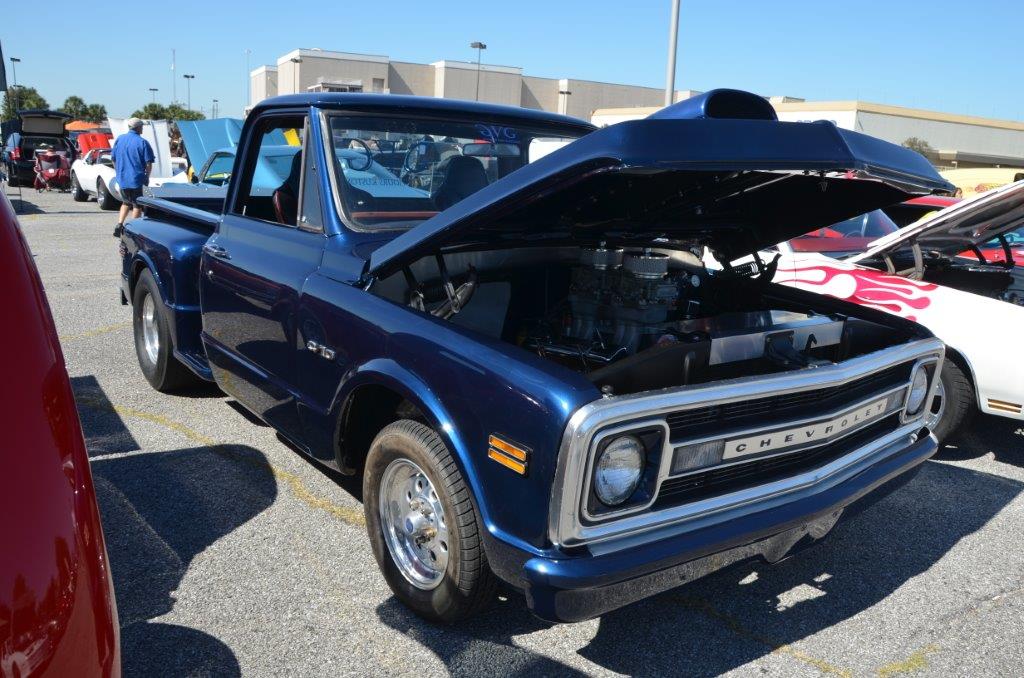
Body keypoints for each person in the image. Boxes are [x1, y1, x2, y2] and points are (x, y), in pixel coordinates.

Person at [111, 117, 155, 237]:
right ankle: (131, 229)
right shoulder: (142, 142)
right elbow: (149, 163)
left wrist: (118, 172)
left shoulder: (120, 139)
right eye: (142, 126)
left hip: (122, 178)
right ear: (138, 127)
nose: (142, 128)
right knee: (137, 205)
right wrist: (147, 177)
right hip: (137, 178)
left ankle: (119, 224)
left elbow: (113, 159)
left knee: (125, 202)